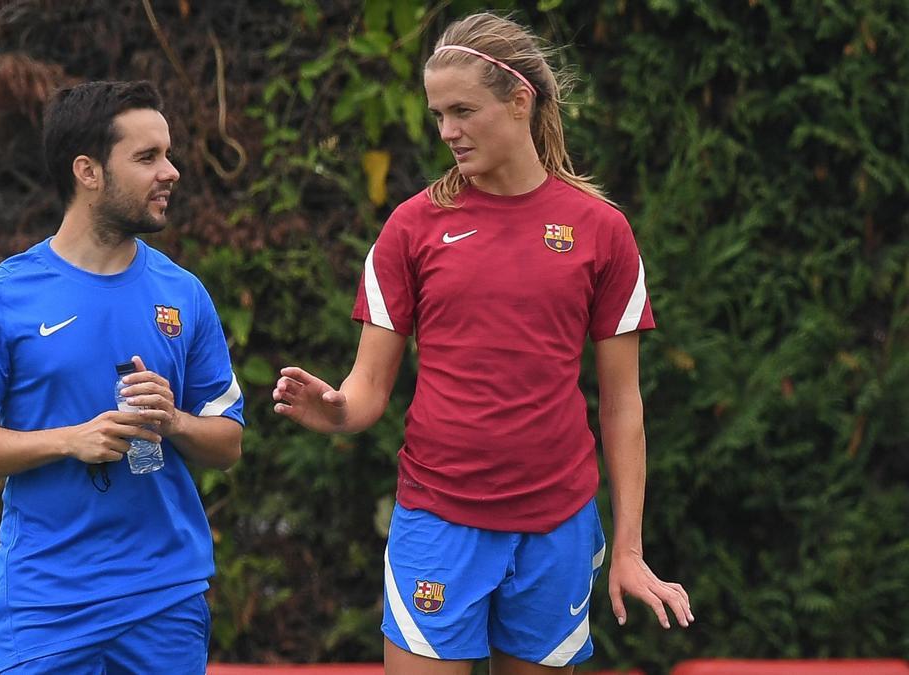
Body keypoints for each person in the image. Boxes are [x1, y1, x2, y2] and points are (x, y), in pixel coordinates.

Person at [272, 12, 691, 675]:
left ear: (520, 99)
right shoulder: (410, 228)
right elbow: (367, 389)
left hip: (558, 528)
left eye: (462, 110)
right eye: (438, 114)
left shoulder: (602, 230)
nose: (446, 131)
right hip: (438, 522)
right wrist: (338, 411)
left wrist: (631, 548)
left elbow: (622, 405)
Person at [0, 80, 244, 675]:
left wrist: (174, 421)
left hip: (165, 598)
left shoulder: (184, 294)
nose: (171, 172)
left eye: (168, 154)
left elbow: (228, 442)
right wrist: (68, 440)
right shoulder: (3, 298)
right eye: (147, 157)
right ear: (88, 171)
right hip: (47, 602)